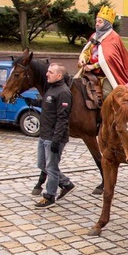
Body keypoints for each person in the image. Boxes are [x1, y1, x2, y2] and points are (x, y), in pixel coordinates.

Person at [34, 63, 75, 209]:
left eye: (50, 72)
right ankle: (66, 183)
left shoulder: (64, 92)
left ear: (59, 75)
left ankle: (49, 196)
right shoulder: (51, 88)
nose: (47, 74)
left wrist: (56, 140)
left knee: (51, 168)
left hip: (53, 137)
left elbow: (62, 118)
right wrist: (36, 102)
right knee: (42, 165)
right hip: (44, 135)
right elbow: (50, 106)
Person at [78, 6, 128, 98]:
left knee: (107, 93)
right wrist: (83, 58)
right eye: (96, 21)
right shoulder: (94, 35)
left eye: (100, 22)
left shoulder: (114, 37)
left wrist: (93, 66)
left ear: (107, 24)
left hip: (107, 74)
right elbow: (87, 50)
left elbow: (110, 59)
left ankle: (109, 112)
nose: (96, 24)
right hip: (89, 72)